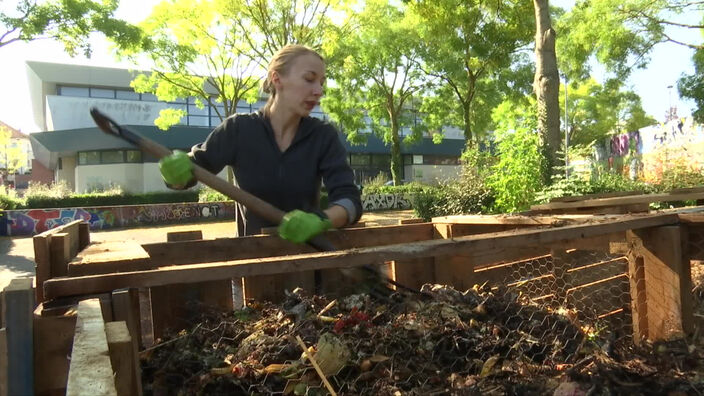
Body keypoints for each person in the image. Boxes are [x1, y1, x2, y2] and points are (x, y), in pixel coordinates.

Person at [158, 44, 362, 243]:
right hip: (252, 262)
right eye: (309, 79)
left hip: (308, 262)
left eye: (321, 82)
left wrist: (321, 220)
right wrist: (175, 174)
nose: (319, 91)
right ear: (277, 78)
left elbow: (350, 202)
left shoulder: (323, 136)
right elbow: (189, 173)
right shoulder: (238, 130)